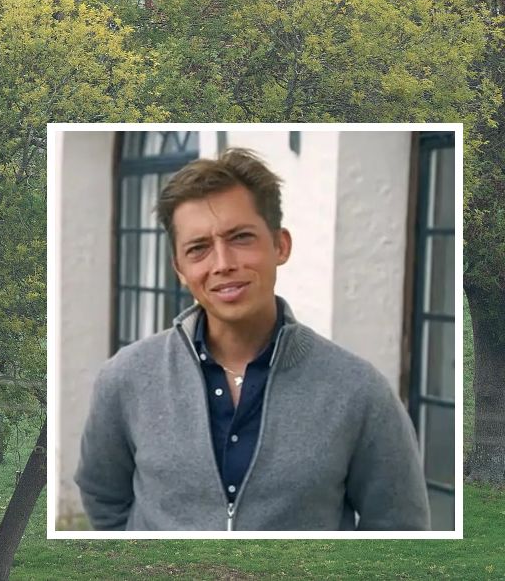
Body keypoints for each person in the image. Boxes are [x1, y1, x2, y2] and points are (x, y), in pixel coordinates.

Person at [75, 147, 428, 530]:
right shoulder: (126, 378)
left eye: (241, 237)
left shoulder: (358, 391)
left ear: (280, 245)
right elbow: (104, 499)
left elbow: (399, 527)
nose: (223, 263)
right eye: (199, 248)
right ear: (179, 268)